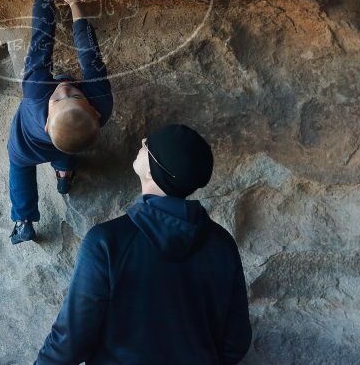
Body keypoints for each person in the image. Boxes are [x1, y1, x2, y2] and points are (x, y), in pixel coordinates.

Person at [36, 124, 252, 364]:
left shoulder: (107, 242)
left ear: (152, 172)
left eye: (148, 145)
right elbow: (237, 341)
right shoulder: (222, 244)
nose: (142, 141)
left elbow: (70, 342)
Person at [7, 0, 113, 245]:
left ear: (46, 121)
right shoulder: (100, 105)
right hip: (58, 136)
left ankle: (23, 219)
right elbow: (89, 53)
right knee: (70, 141)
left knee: (19, 168)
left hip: (27, 146)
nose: (64, 88)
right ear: (93, 110)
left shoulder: (37, 93)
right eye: (73, 94)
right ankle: (64, 172)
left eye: (64, 98)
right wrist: (73, 1)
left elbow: (41, 39)